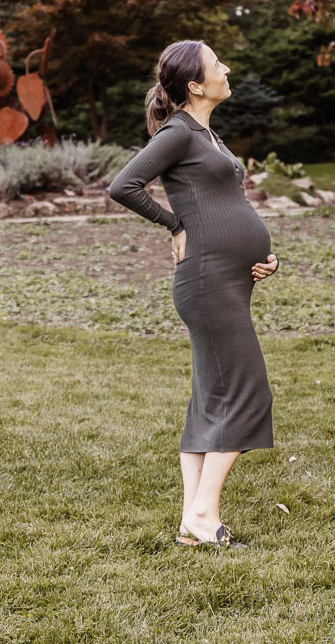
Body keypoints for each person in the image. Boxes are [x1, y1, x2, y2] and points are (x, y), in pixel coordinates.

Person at [108, 40, 280, 550]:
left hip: (228, 277)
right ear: (196, 86)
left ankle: (192, 520)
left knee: (210, 399)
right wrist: (173, 224)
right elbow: (124, 185)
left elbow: (226, 202)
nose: (227, 68)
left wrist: (267, 255)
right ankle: (205, 515)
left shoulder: (208, 132)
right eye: (217, 65)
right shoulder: (178, 131)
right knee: (248, 392)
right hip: (207, 282)